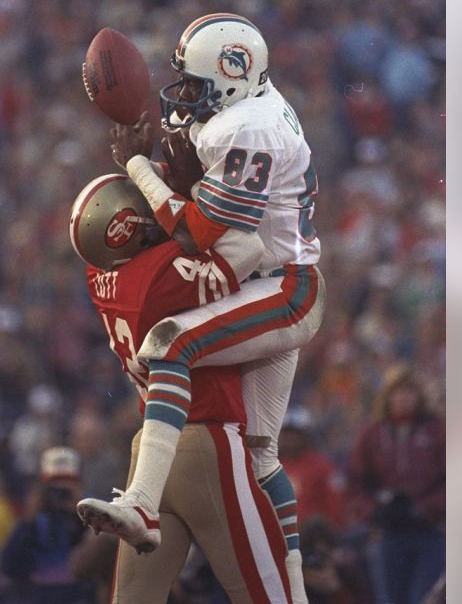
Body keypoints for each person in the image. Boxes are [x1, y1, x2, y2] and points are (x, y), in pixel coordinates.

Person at [81, 15, 325, 600]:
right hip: (270, 277)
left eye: (195, 85)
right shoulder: (249, 109)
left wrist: (140, 167)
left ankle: (141, 502)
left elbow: (195, 233)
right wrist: (177, 167)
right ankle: (296, 586)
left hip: (283, 287)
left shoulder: (245, 127)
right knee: (263, 456)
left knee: (170, 342)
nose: (185, 97)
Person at [68, 175, 293, 602]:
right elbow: (247, 248)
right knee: (269, 593)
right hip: (206, 441)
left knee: (134, 599)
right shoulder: (157, 274)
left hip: (150, 451)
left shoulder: (98, 273)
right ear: (128, 224)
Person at [346, 368, 445, 604]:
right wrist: (373, 510)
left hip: (429, 531)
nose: (403, 398)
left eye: (409, 391)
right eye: (397, 392)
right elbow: (356, 481)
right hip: (385, 532)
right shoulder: (371, 433)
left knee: (425, 597)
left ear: (419, 396)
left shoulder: (438, 430)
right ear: (387, 396)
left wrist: (423, 508)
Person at [1, 447, 96, 604]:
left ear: (79, 485)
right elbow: (8, 565)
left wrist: (81, 516)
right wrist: (29, 521)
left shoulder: (91, 513)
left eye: (67, 484)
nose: (60, 492)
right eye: (54, 485)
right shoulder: (35, 521)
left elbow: (96, 562)